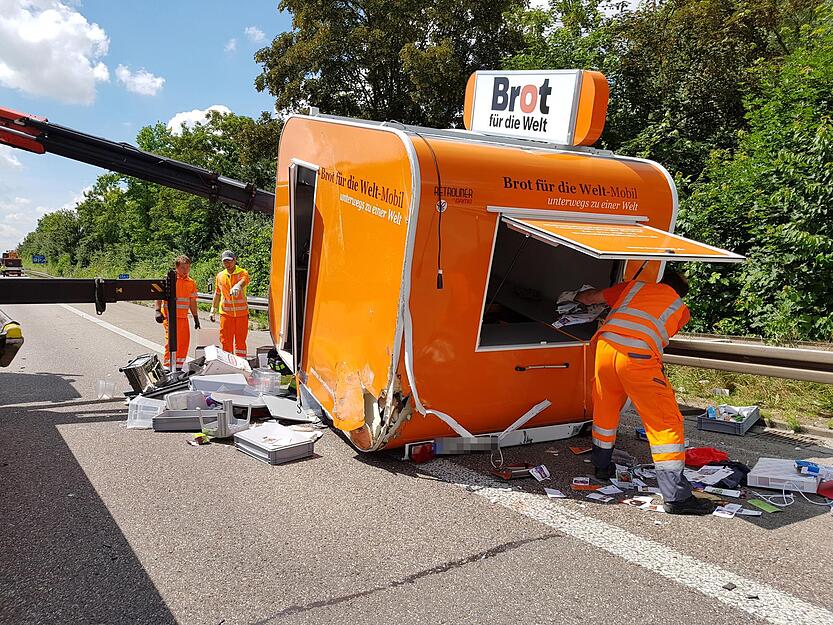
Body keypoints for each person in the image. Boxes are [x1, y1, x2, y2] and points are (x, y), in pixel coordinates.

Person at [576, 270, 714, 515]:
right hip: (637, 357)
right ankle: (676, 497)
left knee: (606, 408)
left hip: (605, 349)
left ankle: (601, 467)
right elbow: (660, 336)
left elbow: (589, 298)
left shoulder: (633, 287)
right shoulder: (681, 309)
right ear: (680, 293)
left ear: (661, 281)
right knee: (664, 421)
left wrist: (573, 296)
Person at [155, 255, 200, 371]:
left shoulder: (191, 282)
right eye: (183, 268)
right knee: (171, 341)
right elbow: (158, 295)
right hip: (170, 316)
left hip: (183, 317)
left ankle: (178, 366)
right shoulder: (169, 279)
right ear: (177, 267)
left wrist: (195, 317)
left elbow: (192, 301)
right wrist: (157, 310)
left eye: (188, 268)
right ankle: (167, 366)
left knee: (184, 342)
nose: (186, 270)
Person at [209, 250, 250, 359]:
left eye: (229, 261)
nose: (227, 264)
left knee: (240, 341)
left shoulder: (242, 272)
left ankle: (241, 362)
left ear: (235, 260)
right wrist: (213, 309)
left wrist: (238, 286)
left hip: (241, 315)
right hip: (226, 314)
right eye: (225, 261)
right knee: (225, 340)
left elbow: (244, 281)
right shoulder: (220, 276)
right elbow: (217, 293)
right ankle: (228, 361)